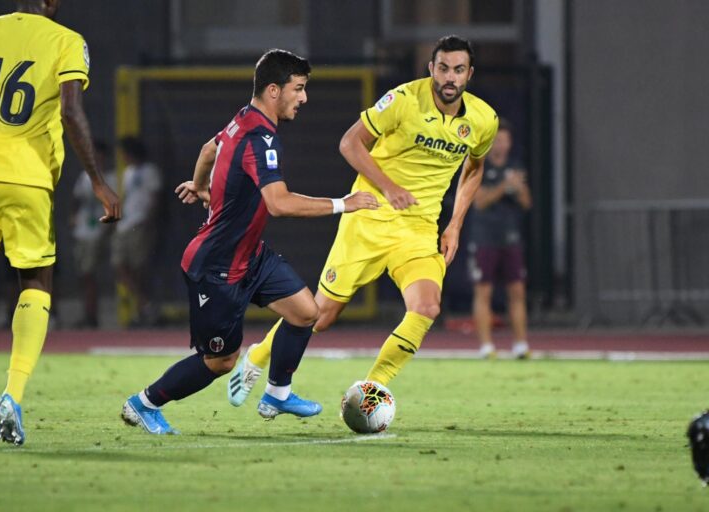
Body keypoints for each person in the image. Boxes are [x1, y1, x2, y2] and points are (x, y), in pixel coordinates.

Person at [227, 35, 499, 406]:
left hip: (418, 230)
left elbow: (474, 167)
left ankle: (372, 391)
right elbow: (349, 143)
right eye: (443, 68)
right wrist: (388, 188)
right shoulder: (403, 100)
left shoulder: (484, 119)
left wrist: (454, 224)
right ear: (431, 69)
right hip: (368, 219)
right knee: (318, 318)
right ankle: (257, 356)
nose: (450, 77)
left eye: (458, 70)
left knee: (426, 307)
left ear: (469, 74)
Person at [120, 49, 378, 435]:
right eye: (299, 89)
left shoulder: (244, 118)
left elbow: (210, 150)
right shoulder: (261, 138)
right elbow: (279, 203)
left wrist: (201, 185)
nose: (304, 98)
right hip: (217, 267)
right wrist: (345, 203)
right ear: (274, 90)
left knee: (307, 312)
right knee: (220, 362)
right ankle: (143, 403)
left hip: (250, 257)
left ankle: (277, 393)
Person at [0, 0, 120, 445]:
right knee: (36, 282)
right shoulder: (66, 41)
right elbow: (70, 111)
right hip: (27, 177)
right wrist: (98, 180)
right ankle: (11, 397)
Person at [468, 120, 532, 359]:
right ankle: (486, 346)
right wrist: (505, 186)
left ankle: (521, 344)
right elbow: (480, 201)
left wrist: (518, 188)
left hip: (511, 237)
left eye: (505, 140)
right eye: (497, 140)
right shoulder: (478, 166)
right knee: (483, 291)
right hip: (484, 237)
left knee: (517, 290)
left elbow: (527, 203)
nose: (501, 145)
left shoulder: (515, 166)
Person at [111, 136, 161, 327]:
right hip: (125, 224)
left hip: (140, 223)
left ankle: (143, 311)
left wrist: (150, 220)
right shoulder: (128, 172)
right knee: (119, 265)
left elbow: (156, 196)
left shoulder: (150, 171)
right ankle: (143, 303)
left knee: (140, 268)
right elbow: (125, 197)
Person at [71, 140, 116, 328]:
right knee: (83, 275)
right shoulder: (84, 177)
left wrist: (107, 230)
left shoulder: (111, 179)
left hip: (97, 233)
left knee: (90, 274)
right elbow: (75, 199)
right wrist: (73, 218)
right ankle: (88, 313)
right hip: (82, 231)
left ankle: (92, 315)